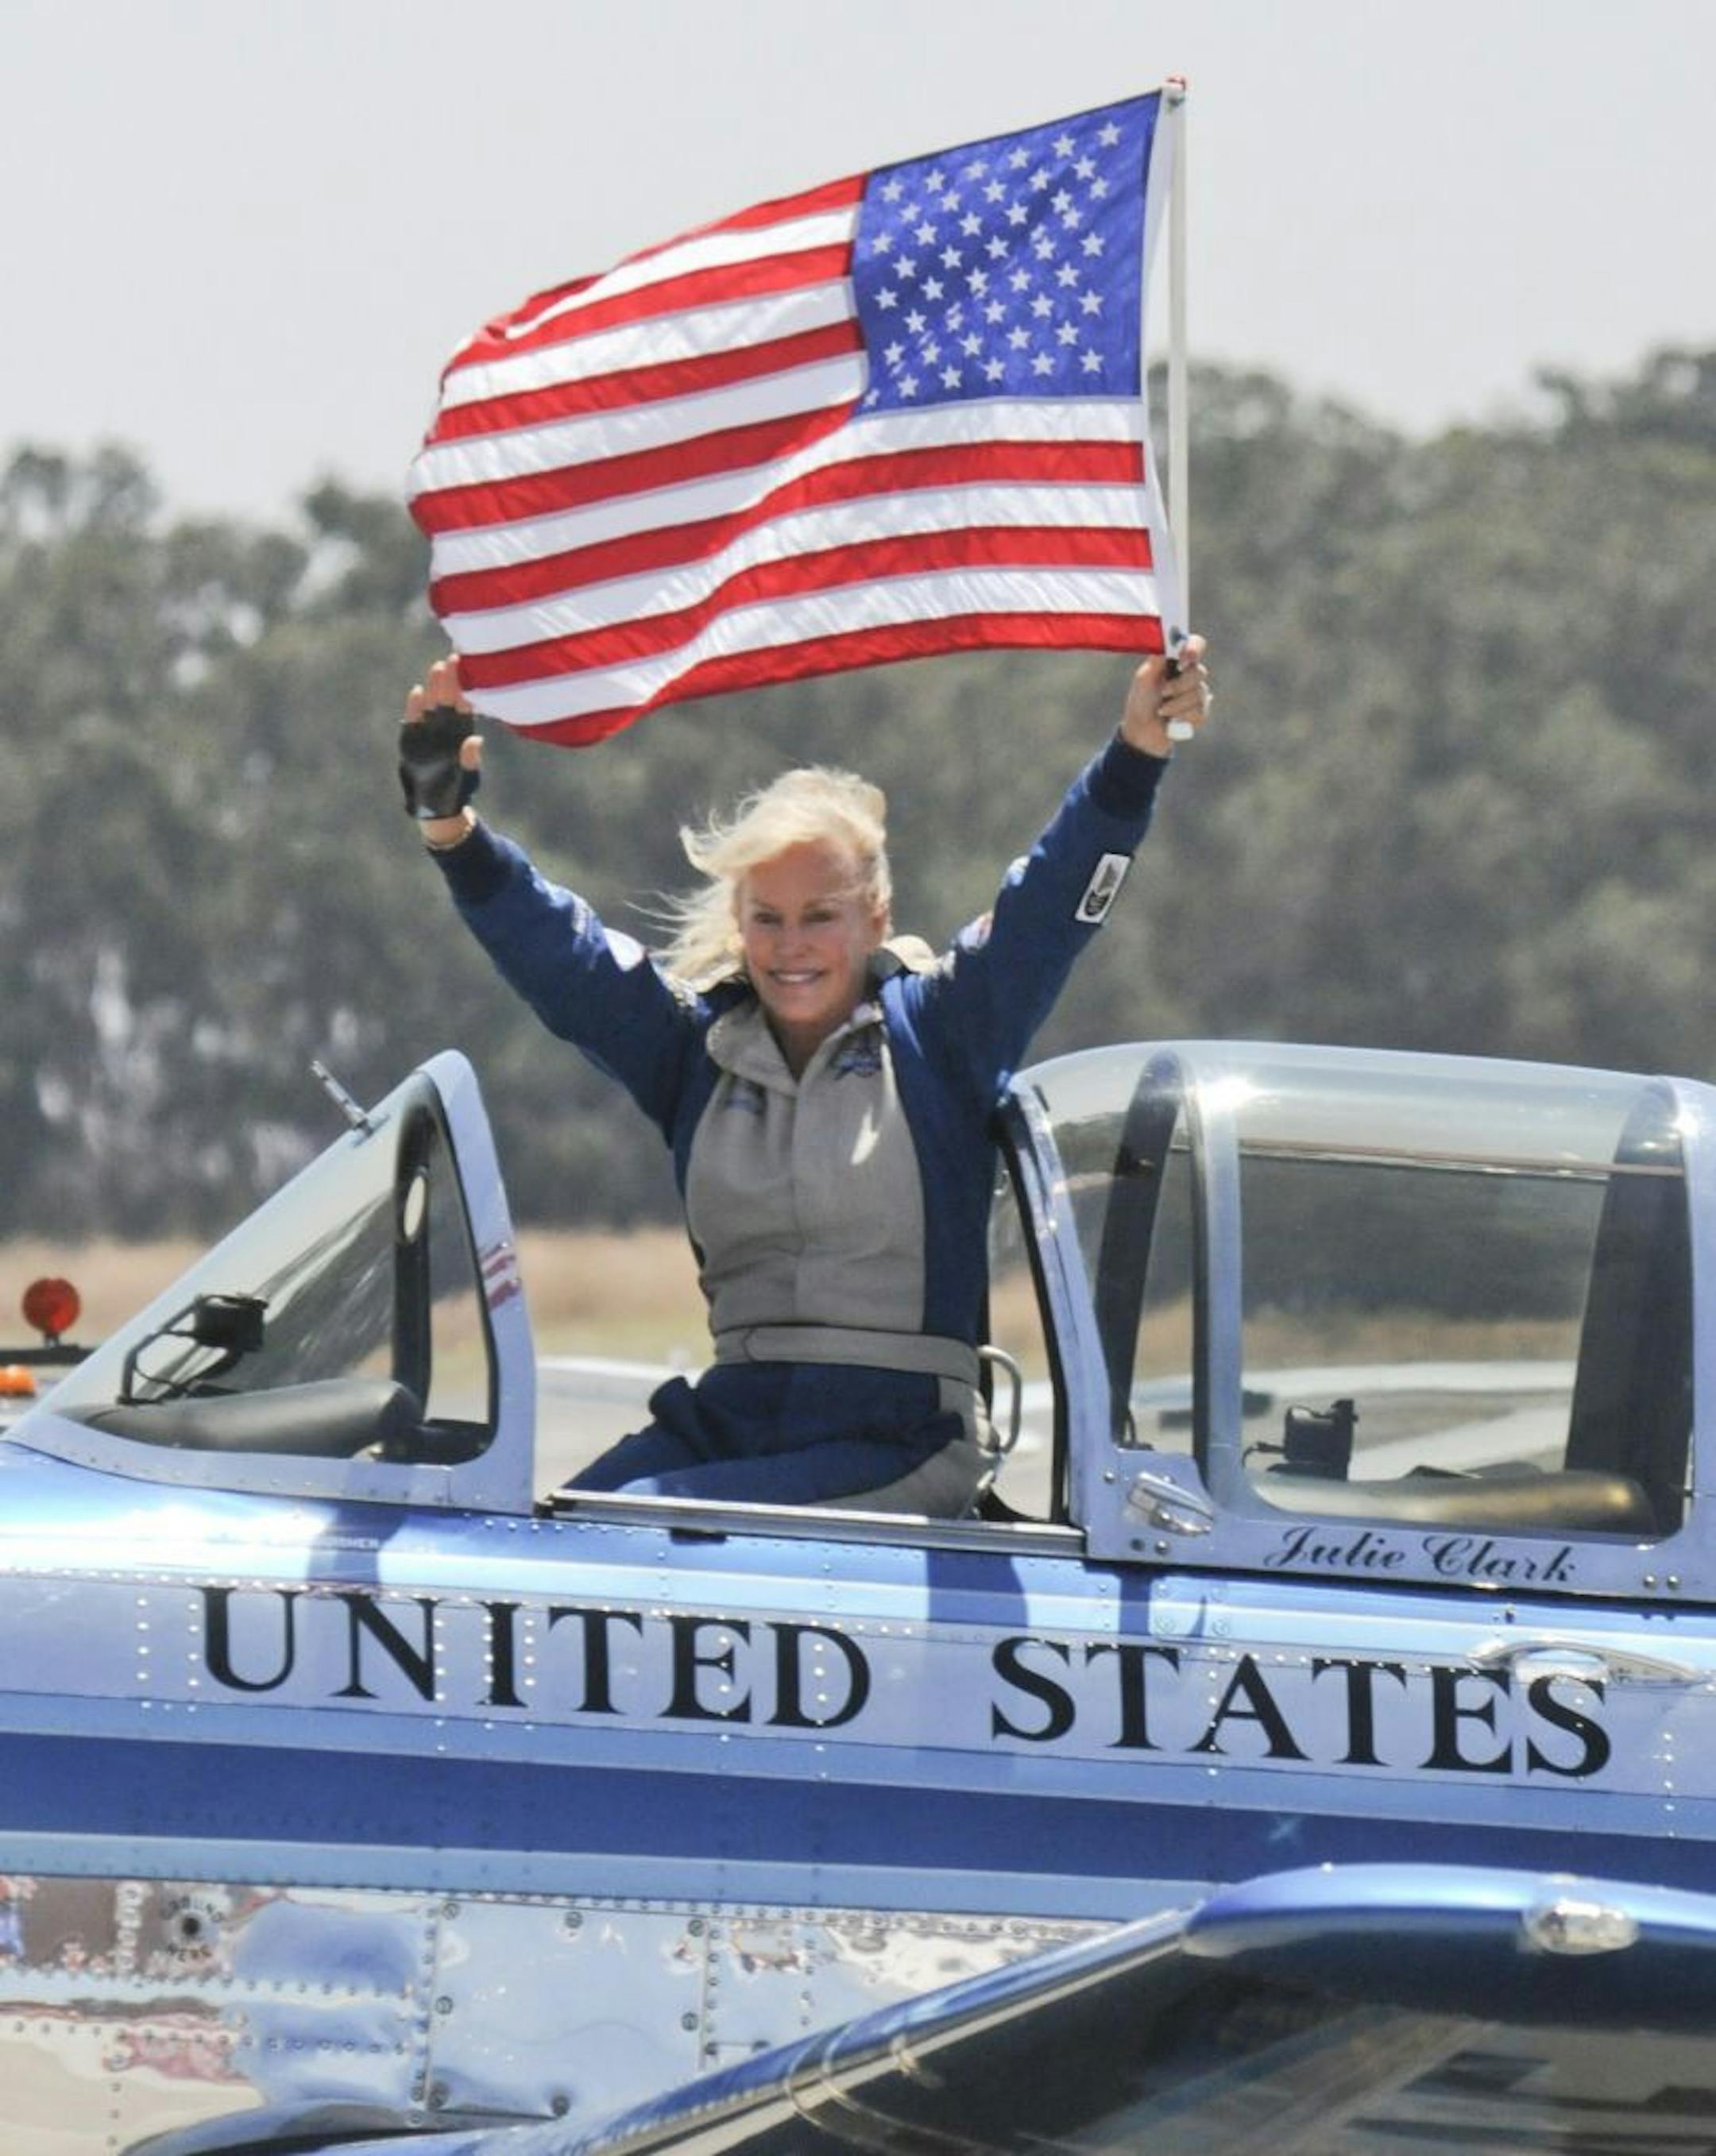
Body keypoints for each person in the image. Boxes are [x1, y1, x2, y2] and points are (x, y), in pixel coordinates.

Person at [401, 642, 1211, 1512]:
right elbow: (565, 959)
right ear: (740, 922)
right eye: (769, 918)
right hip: (732, 1419)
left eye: (820, 916)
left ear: (875, 917)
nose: (791, 946)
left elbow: (1051, 903)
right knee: (558, 1533)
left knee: (660, 1529)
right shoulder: (694, 1051)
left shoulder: (944, 1034)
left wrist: (1135, 755)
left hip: (900, 1433)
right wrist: (452, 829)